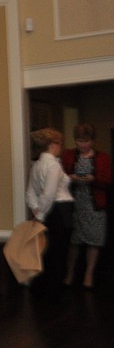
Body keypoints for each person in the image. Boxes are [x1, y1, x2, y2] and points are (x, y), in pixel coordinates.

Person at [62, 123, 111, 289]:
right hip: (74, 204)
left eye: (86, 141)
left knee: (94, 240)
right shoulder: (68, 155)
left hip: (95, 205)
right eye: (79, 141)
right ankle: (70, 273)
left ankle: (88, 274)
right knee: (74, 240)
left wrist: (94, 179)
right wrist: (70, 178)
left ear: (93, 141)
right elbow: (60, 176)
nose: (83, 145)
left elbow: (107, 180)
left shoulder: (102, 157)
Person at [25, 128, 73, 298]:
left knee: (47, 251)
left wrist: (36, 210)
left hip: (48, 212)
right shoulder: (53, 165)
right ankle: (54, 292)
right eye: (59, 143)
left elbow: (30, 193)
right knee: (59, 252)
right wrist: (41, 215)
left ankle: (41, 289)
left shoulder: (37, 164)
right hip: (60, 211)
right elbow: (49, 194)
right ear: (53, 144)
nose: (61, 147)